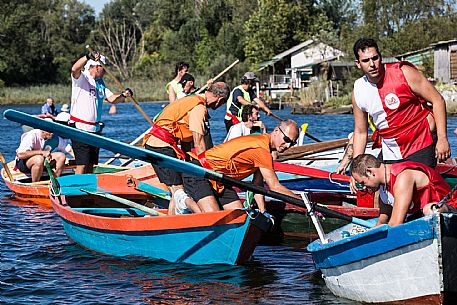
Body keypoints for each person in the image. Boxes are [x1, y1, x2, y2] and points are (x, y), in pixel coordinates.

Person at [351, 38, 450, 189]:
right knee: (381, 191)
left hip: (420, 141)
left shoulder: (403, 73)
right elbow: (360, 132)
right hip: (391, 148)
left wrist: (442, 139)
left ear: (380, 57)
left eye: (375, 58)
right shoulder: (358, 89)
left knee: (416, 190)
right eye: (366, 60)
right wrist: (355, 170)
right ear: (358, 64)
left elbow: (438, 100)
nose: (372, 64)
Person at [143, 82, 230, 215]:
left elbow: (186, 143)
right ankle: (189, 220)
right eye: (221, 104)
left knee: (176, 192)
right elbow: (199, 143)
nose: (218, 107)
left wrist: (188, 163)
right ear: (220, 99)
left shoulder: (191, 99)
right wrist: (207, 171)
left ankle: (171, 224)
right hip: (160, 145)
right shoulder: (199, 107)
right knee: (178, 191)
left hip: (159, 144)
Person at [186, 119, 300, 214]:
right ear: (276, 131)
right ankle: (184, 201)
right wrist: (302, 202)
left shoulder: (264, 149)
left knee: (239, 216)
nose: (288, 145)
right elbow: (275, 187)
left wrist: (263, 212)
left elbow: (257, 186)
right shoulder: (262, 150)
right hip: (199, 172)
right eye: (286, 140)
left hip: (220, 181)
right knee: (213, 216)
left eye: (292, 143)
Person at [350, 154, 457, 227]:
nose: (363, 187)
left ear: (370, 172)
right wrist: (375, 229)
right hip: (420, 218)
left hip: (449, 211)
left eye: (363, 183)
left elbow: (396, 223)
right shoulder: (382, 184)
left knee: (430, 210)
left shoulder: (403, 177)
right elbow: (384, 216)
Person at [70, 51, 133, 174]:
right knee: (82, 164)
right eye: (103, 68)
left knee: (91, 165)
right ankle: (77, 188)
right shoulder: (82, 78)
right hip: (80, 128)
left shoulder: (100, 84)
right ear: (96, 67)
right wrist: (88, 56)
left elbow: (112, 99)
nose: (105, 71)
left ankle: (87, 188)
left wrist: (124, 95)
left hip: (94, 130)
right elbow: (74, 69)